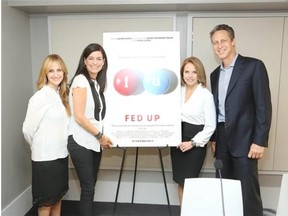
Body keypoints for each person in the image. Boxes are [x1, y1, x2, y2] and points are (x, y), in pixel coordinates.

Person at [209, 24, 272, 216]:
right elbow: (215, 108)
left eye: (223, 41)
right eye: (215, 43)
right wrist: (214, 138)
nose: (219, 46)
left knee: (247, 190)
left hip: (246, 140)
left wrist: (259, 141)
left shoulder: (254, 66)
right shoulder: (214, 75)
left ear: (233, 41)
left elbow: (263, 105)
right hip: (221, 139)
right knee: (223, 187)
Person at [68, 43, 113, 216]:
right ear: (84, 61)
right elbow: (79, 116)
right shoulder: (80, 80)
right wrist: (100, 135)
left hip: (93, 141)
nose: (95, 62)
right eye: (91, 58)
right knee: (88, 189)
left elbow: (97, 117)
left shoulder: (95, 83)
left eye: (99, 59)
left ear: (103, 62)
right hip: (81, 141)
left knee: (90, 187)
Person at [22, 54, 70, 216]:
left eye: (59, 70)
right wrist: (38, 147)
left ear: (64, 72)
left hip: (61, 155)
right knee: (45, 203)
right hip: (45, 159)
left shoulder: (61, 96)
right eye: (51, 71)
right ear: (45, 74)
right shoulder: (39, 97)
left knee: (57, 197)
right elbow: (27, 130)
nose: (56, 74)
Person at [170, 56, 216, 206]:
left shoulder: (206, 95)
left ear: (199, 74)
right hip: (177, 141)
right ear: (182, 74)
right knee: (180, 181)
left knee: (189, 183)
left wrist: (193, 143)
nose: (190, 76)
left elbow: (210, 126)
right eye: (186, 72)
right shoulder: (176, 92)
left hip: (194, 143)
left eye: (194, 72)